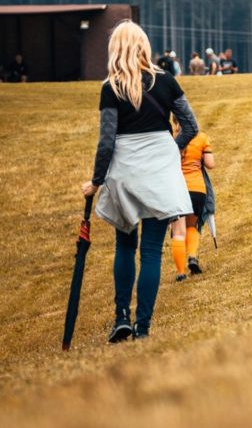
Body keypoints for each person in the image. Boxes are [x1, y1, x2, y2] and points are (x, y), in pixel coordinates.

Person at [81, 20, 199, 342]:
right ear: (144, 46)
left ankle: (121, 316)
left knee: (125, 245)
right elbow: (191, 126)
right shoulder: (167, 82)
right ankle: (142, 327)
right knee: (150, 251)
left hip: (126, 171)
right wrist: (169, 151)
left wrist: (96, 181)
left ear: (115, 49)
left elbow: (106, 142)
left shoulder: (111, 88)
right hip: (159, 169)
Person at [169, 117, 214, 280]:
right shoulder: (202, 137)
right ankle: (192, 256)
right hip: (197, 189)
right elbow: (210, 164)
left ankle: (181, 272)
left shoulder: (171, 139)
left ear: (176, 123)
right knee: (192, 226)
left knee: (177, 232)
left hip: (177, 189)